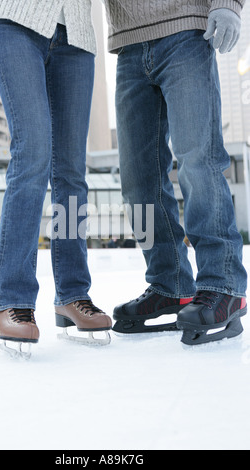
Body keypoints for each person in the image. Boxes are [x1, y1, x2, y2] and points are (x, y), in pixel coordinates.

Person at [103, 0, 247, 345]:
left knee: (198, 161)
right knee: (138, 180)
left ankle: (222, 285)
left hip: (187, 33)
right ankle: (170, 285)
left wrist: (228, 4)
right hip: (128, 46)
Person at [0, 0, 112, 355]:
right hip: (17, 19)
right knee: (33, 155)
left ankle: (72, 294)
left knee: (72, 171)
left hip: (77, 35)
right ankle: (13, 297)